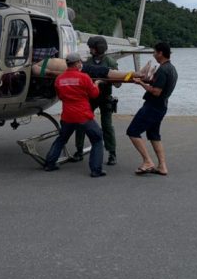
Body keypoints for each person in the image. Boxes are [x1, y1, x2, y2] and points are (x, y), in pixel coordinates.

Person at [43, 52, 106, 177]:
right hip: (83, 115)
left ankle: (49, 164)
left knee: (62, 139)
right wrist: (97, 84)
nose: (81, 64)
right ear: (77, 63)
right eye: (80, 62)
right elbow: (94, 94)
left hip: (67, 116)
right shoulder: (84, 77)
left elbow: (60, 96)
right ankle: (96, 170)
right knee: (97, 139)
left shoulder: (59, 79)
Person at [126, 42, 178, 176]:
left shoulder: (163, 70)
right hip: (162, 106)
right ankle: (162, 166)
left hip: (153, 106)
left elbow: (156, 91)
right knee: (154, 135)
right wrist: (148, 80)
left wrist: (141, 83)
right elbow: (158, 85)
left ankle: (147, 161)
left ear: (160, 53)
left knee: (132, 131)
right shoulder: (171, 68)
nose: (154, 55)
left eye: (154, 52)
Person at [73, 36, 119, 165]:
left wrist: (104, 81)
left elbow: (118, 84)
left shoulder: (110, 62)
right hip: (90, 97)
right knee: (81, 124)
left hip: (105, 97)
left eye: (91, 48)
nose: (90, 50)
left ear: (97, 48)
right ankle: (79, 150)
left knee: (107, 126)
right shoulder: (87, 63)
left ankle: (112, 153)